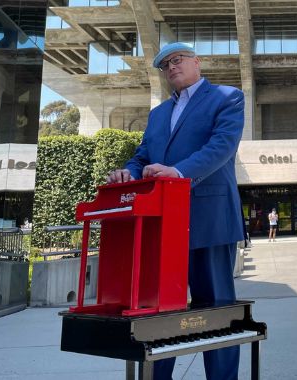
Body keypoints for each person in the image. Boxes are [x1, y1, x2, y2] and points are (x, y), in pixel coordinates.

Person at [106, 42, 245, 380]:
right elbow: (142, 156)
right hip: (160, 224)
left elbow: (221, 147)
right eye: (165, 64)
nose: (171, 67)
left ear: (197, 62)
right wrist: (129, 172)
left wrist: (179, 173)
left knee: (218, 311)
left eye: (178, 60)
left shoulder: (227, 97)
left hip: (209, 219)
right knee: (159, 311)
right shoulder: (157, 114)